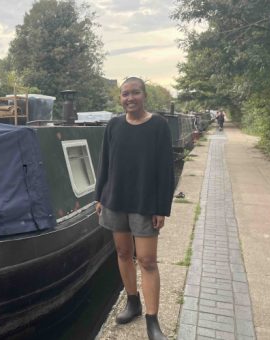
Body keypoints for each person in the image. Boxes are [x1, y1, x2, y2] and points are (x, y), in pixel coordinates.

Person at [95, 77, 174, 340]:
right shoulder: (113, 125)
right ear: (121, 98)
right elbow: (105, 163)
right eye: (125, 94)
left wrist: (162, 207)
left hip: (144, 202)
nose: (130, 98)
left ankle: (153, 320)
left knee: (148, 261)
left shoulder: (159, 126)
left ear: (145, 95)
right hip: (115, 199)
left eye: (135, 93)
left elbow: (165, 169)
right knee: (122, 252)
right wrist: (99, 196)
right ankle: (133, 302)